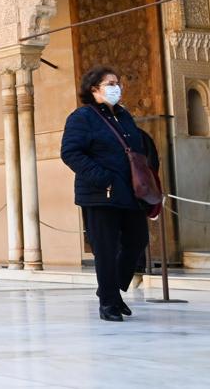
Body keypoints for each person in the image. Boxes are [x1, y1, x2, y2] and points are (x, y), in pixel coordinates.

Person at [59, 66, 157, 322]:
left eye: (117, 82)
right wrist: (103, 178)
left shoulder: (124, 116)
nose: (117, 87)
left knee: (137, 240)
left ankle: (110, 289)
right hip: (100, 194)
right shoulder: (82, 117)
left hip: (129, 193)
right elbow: (71, 153)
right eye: (110, 83)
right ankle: (109, 303)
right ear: (94, 89)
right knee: (105, 248)